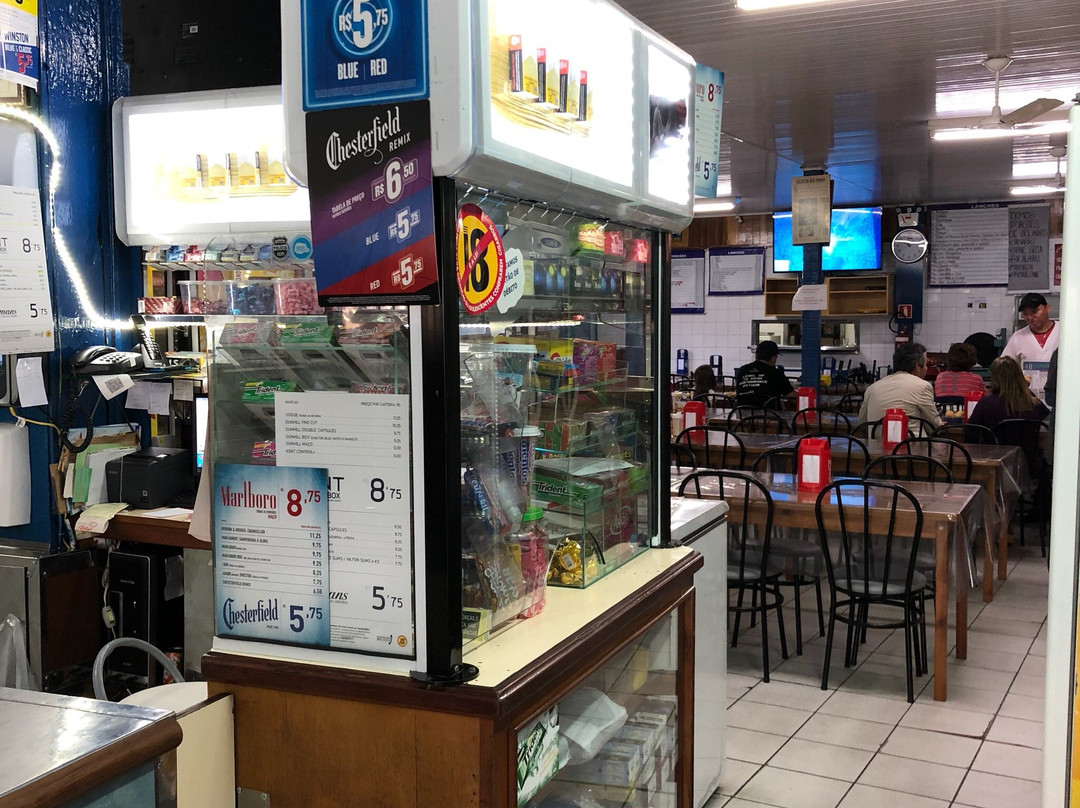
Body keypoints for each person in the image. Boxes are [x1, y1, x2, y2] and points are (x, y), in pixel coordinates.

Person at [858, 342, 942, 430]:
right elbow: (935, 427)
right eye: (925, 364)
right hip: (910, 439)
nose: (926, 368)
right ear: (917, 367)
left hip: (876, 439)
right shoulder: (923, 386)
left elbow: (862, 424)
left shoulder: (872, 388)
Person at [1001, 292, 1058, 403]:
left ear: (1048, 309)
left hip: (1059, 399)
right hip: (1027, 401)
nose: (1030, 317)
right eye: (1026, 314)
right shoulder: (1018, 337)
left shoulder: (1064, 332)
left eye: (1035, 311)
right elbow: (1004, 367)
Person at [968, 356, 1050, 431]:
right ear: (1020, 376)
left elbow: (970, 433)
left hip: (995, 443)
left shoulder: (985, 404)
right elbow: (1048, 425)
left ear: (994, 378)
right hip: (1028, 443)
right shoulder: (1035, 404)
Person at [735, 341, 795, 408]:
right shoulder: (776, 373)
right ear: (773, 358)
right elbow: (792, 395)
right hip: (769, 413)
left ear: (757, 356)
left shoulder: (742, 370)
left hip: (743, 413)